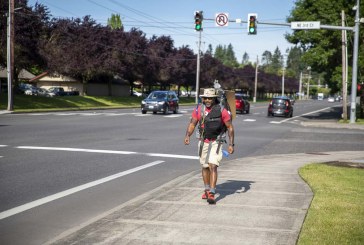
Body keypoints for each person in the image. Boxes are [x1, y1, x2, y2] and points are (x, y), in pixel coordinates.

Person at [184, 88, 234, 204]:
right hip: (203, 141)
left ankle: (212, 192)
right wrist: (187, 135)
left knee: (213, 165)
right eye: (205, 98)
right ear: (202, 98)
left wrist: (231, 144)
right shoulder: (199, 109)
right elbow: (192, 123)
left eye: (210, 98)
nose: (207, 100)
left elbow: (230, 127)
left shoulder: (222, 110)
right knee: (205, 166)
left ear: (214, 98)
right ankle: (206, 189)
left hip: (216, 142)